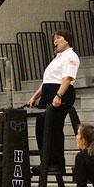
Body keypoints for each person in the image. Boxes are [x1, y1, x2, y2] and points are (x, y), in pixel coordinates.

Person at [27, 29, 79, 175]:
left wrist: (59, 95)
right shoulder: (57, 58)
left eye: (58, 38)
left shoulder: (71, 56)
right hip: (48, 93)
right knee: (41, 127)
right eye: (54, 39)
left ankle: (57, 163)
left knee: (54, 128)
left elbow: (67, 78)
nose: (55, 41)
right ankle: (46, 162)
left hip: (60, 93)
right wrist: (35, 96)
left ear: (67, 40)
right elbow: (47, 81)